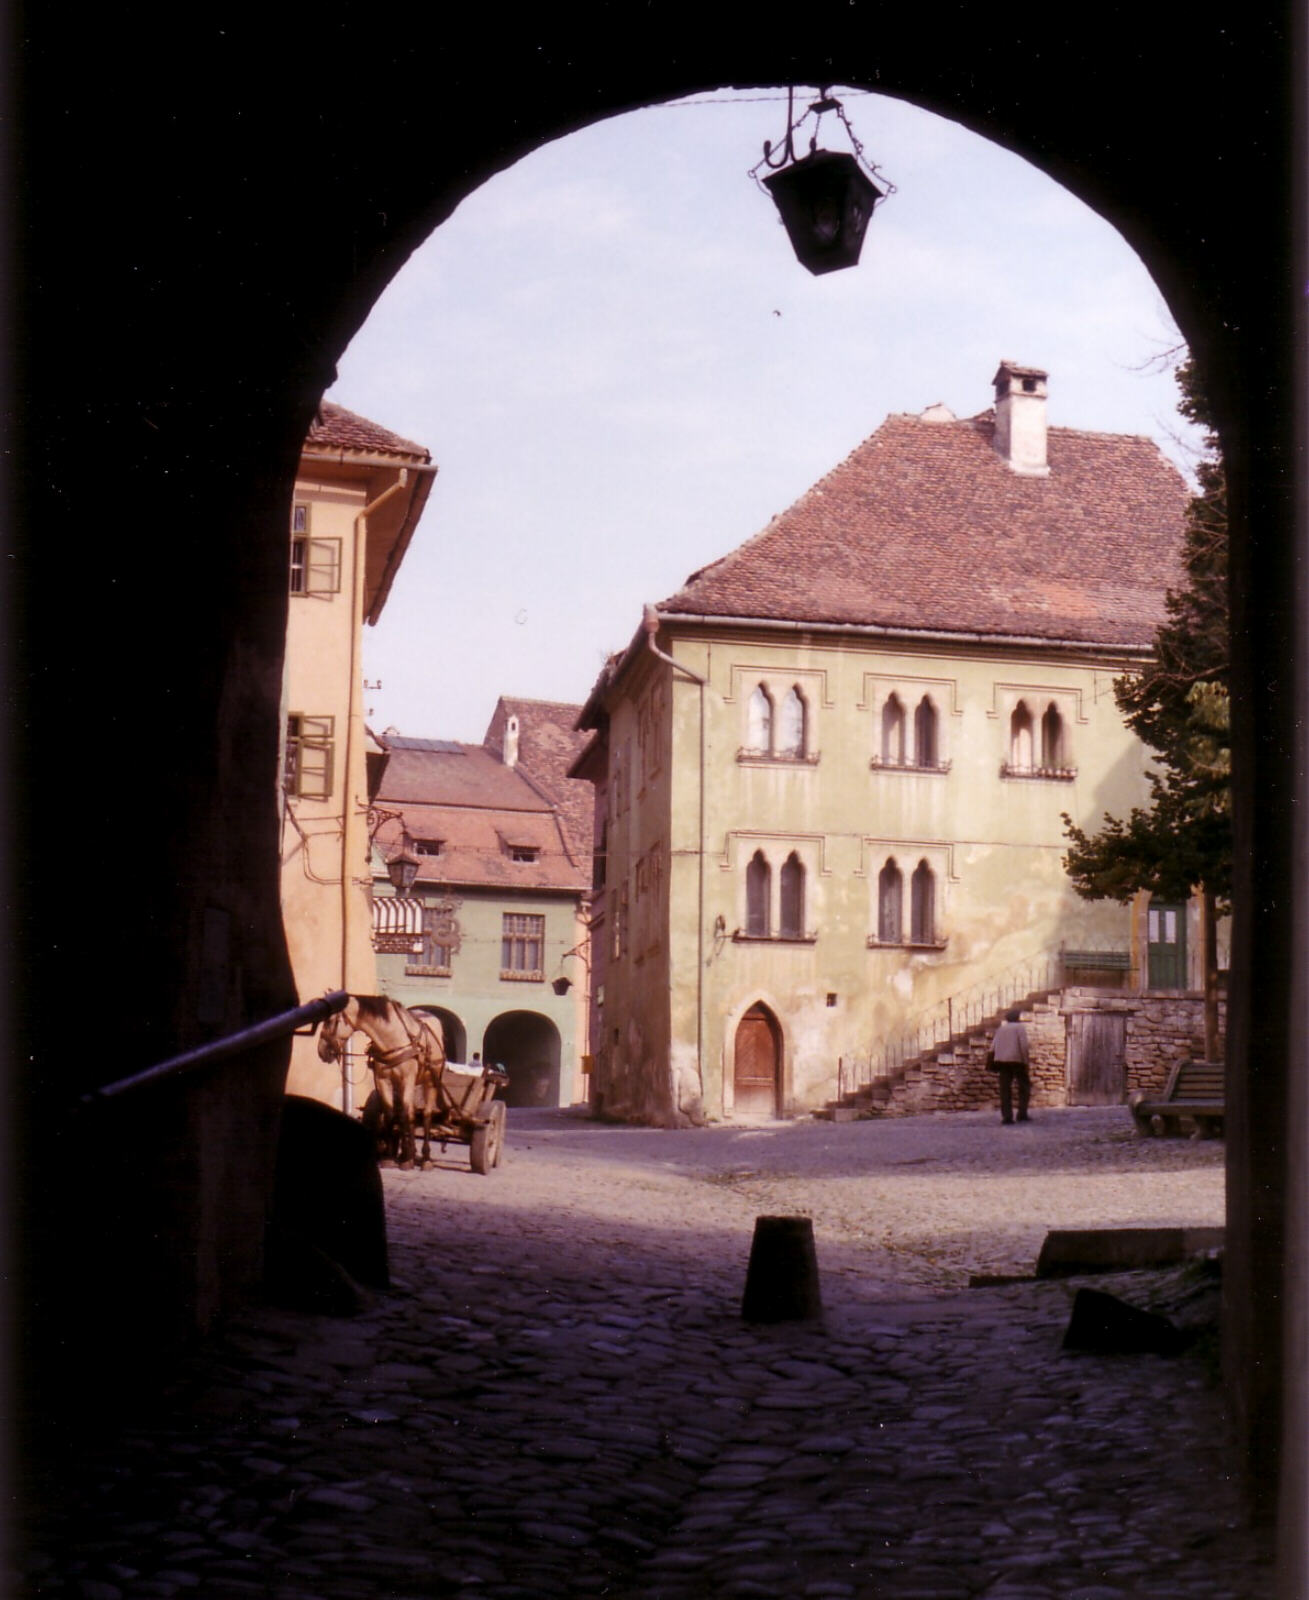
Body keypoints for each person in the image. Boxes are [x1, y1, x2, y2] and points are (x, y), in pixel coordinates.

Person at [990, 1008, 1032, 1125]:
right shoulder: (1020, 1028)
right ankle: (1022, 1113)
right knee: (1024, 1087)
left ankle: (1007, 1116)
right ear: (1018, 1018)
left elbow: (993, 1046)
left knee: (1005, 1089)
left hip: (1002, 1061)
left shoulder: (1001, 1029)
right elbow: (1023, 1046)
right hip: (1017, 1060)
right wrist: (1026, 1061)